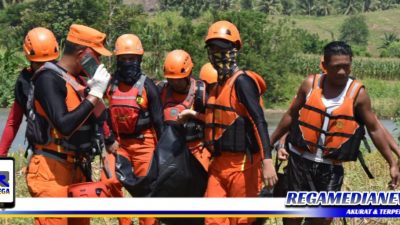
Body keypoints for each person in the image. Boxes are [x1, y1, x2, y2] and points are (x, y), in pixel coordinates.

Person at [270, 41, 400, 225]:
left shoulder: (358, 94)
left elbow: (375, 128)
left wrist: (392, 162)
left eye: (346, 67)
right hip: (300, 163)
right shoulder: (310, 84)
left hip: (330, 169)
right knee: (293, 218)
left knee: (321, 220)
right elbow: (290, 116)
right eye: (336, 67)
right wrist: (269, 146)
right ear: (324, 66)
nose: (342, 72)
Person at [179, 20, 277, 225]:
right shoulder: (218, 86)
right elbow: (224, 121)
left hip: (242, 165)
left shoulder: (242, 82)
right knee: (213, 220)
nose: (218, 53)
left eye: (223, 48)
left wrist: (268, 160)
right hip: (218, 165)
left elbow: (258, 120)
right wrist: (194, 115)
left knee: (241, 220)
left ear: (235, 49)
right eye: (213, 48)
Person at [25, 24, 112, 225]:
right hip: (51, 171)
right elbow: (64, 126)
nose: (98, 62)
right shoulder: (48, 78)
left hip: (77, 169)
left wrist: (96, 94)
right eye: (96, 56)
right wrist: (94, 94)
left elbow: (102, 120)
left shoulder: (77, 81)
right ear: (84, 54)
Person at [102, 34, 164, 225]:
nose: (128, 63)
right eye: (124, 59)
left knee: (145, 191)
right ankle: (125, 222)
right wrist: (108, 138)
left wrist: (163, 154)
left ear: (139, 59)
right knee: (109, 181)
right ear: (118, 60)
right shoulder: (110, 84)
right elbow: (99, 112)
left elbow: (159, 122)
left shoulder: (148, 86)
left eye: (132, 59)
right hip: (118, 144)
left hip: (144, 143)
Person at [0, 27, 59, 157]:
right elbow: (13, 121)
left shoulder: (26, 80)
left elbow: (13, 122)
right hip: (52, 154)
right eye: (40, 64)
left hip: (46, 155)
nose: (44, 68)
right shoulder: (66, 75)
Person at [159, 49, 210, 171]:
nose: (174, 83)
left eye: (178, 79)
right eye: (171, 79)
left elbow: (215, 120)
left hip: (197, 151)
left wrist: (192, 114)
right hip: (169, 151)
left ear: (188, 75)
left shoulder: (201, 93)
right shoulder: (161, 90)